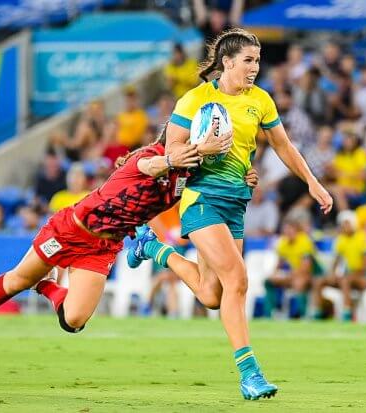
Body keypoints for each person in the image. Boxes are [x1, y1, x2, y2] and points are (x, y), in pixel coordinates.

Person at [0, 126, 256, 366]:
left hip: (101, 248)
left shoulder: (189, 176)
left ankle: (49, 288)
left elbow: (217, 186)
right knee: (17, 281)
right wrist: (175, 156)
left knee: (73, 321)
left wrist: (244, 178)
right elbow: (153, 167)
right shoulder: (147, 157)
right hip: (70, 231)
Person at [139, 28, 332, 400]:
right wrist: (203, 147)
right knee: (238, 280)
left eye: (257, 60)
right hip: (200, 199)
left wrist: (312, 181)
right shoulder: (194, 99)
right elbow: (172, 152)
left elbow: (283, 145)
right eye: (248, 60)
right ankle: (250, 373)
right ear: (227, 62)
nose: (255, 67)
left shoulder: (260, 100)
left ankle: (154, 251)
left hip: (236, 202)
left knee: (213, 294)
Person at [311, 210, 366, 321]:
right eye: (343, 224)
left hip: (365, 278)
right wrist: (332, 274)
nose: (344, 226)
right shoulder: (341, 240)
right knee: (319, 281)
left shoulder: (363, 237)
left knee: (345, 280)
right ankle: (317, 312)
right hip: (349, 276)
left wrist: (349, 275)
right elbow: (336, 260)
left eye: (347, 223)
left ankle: (347, 312)